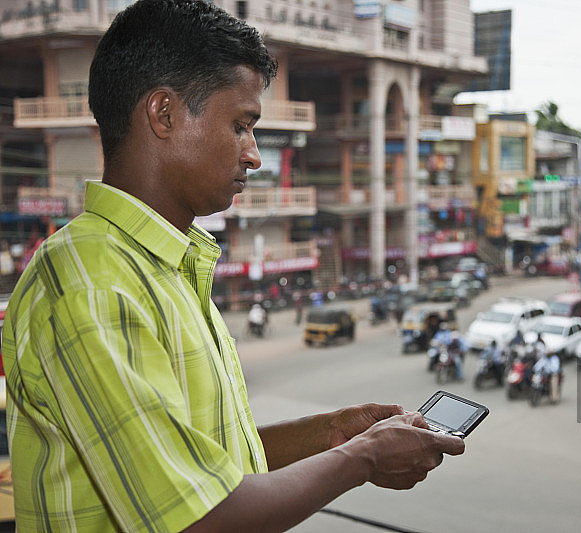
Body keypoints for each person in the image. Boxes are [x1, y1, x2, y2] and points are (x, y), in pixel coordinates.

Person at [0, 1, 465, 531]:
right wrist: (363, 459)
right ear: (164, 114)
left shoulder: (164, 266)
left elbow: (205, 466)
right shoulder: (93, 285)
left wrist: (335, 433)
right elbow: (195, 519)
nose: (254, 154)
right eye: (241, 125)